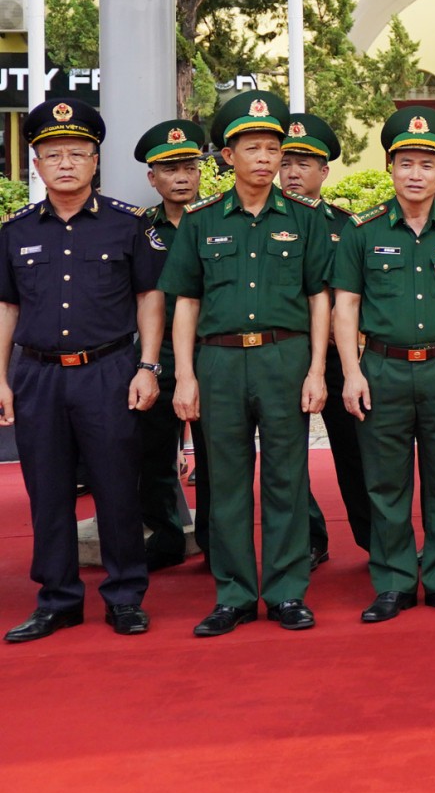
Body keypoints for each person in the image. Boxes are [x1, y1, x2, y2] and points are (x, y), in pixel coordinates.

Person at [161, 90, 336, 636]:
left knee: (287, 477)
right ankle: (233, 594)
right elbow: (185, 300)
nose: (264, 158)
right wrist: (185, 375)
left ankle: (285, 592)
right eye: (251, 147)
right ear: (227, 156)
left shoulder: (305, 219)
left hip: (285, 358)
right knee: (227, 483)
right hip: (219, 363)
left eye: (273, 148)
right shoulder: (201, 220)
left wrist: (315, 371)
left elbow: (319, 299)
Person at [0, 98, 165, 643]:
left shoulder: (126, 225)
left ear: (96, 161)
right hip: (38, 376)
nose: (65, 162)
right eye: (52, 154)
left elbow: (150, 297)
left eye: (77, 152)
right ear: (36, 165)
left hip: (109, 371)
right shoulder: (14, 231)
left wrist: (147, 365)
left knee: (117, 485)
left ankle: (123, 596)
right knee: (46, 490)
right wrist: (0, 377)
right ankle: (58, 600)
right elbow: (7, 308)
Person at [332, 109, 435, 622]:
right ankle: (395, 581)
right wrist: (352, 372)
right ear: (391, 167)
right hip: (382, 369)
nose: (416, 174)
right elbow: (346, 305)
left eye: (427, 164)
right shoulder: (362, 230)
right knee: (384, 483)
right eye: (406, 163)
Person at [278, 110, 369, 566]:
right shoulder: (262, 220)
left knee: (355, 452)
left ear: (324, 172)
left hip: (338, 358)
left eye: (304, 163)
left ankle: (377, 540)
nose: (293, 172)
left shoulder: (346, 225)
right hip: (284, 354)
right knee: (286, 456)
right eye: (286, 161)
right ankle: (308, 539)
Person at [133, 118, 206, 570]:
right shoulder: (139, 230)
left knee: (218, 458)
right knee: (151, 452)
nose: (181, 177)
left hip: (212, 355)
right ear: (152, 177)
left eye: (189, 167)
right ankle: (164, 537)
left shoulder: (220, 221)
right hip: (157, 359)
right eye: (169, 169)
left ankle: (217, 543)